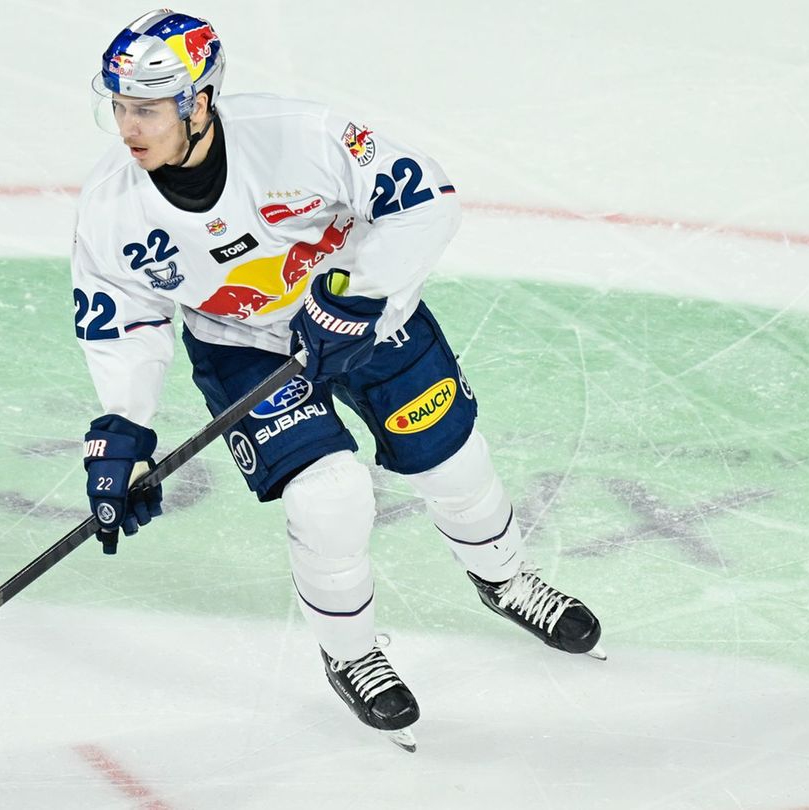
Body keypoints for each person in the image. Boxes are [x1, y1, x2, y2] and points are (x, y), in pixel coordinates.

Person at [71, 9, 604, 752]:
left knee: (454, 463)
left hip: (365, 317)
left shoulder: (303, 137)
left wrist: (359, 292)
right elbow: (122, 318)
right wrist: (124, 427)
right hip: (245, 346)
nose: (129, 127)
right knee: (330, 495)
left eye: (148, 109)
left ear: (199, 101)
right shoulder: (111, 209)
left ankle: (506, 579)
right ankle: (353, 654)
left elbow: (426, 199)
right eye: (119, 106)